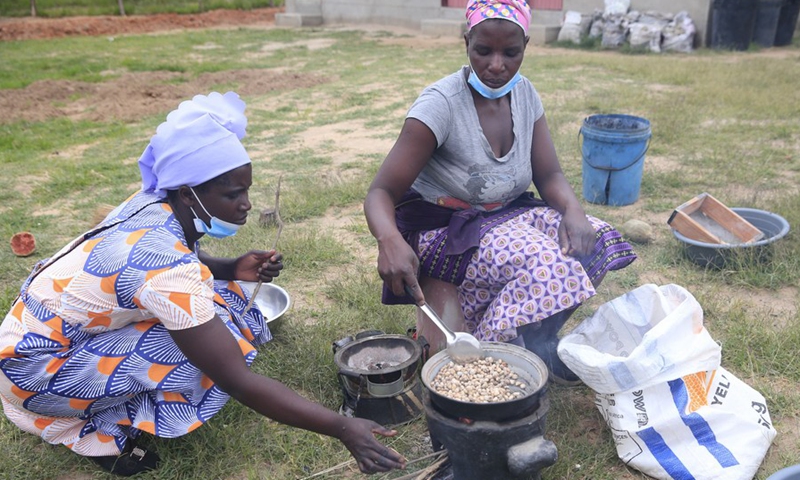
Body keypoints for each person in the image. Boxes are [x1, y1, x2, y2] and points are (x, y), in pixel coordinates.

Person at [0, 92, 406, 477]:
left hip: (29, 343)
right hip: (32, 372)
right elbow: (236, 380)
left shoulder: (150, 202)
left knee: (223, 303)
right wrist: (342, 427)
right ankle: (95, 432)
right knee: (199, 351)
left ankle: (102, 395)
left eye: (246, 188)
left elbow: (171, 266)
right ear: (189, 193)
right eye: (234, 193)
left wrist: (231, 267)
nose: (246, 203)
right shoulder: (168, 268)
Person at [363, 0, 636, 384]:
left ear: (525, 45)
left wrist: (573, 210)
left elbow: (550, 173)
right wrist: (388, 239)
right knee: (547, 266)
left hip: (505, 214)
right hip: (445, 229)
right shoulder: (440, 104)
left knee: (596, 239)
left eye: (510, 52)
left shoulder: (525, 95)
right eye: (483, 51)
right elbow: (381, 191)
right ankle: (483, 361)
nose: (496, 65)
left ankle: (535, 342)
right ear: (466, 43)